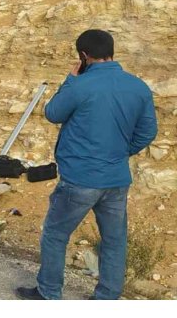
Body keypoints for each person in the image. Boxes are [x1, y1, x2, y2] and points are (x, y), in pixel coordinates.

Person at [16, 29, 158, 301]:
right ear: (111, 51)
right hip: (116, 179)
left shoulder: (80, 85)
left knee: (56, 234)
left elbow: (52, 113)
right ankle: (106, 298)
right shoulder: (138, 87)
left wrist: (69, 80)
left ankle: (48, 293)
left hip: (80, 179)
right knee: (114, 242)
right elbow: (147, 132)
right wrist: (121, 153)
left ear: (83, 55)